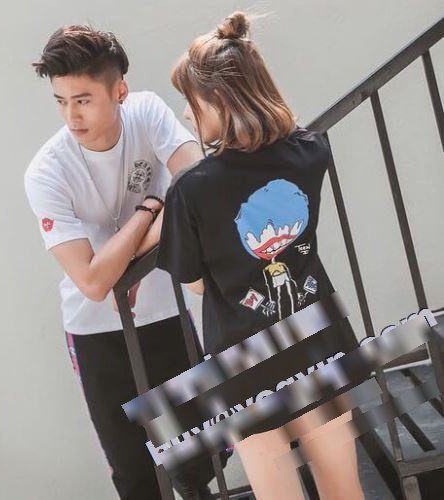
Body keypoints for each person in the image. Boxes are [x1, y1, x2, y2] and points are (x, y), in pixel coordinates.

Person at [156, 12, 365, 500]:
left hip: (244, 360)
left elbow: (194, 282)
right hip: (317, 335)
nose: (186, 115)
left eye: (190, 101)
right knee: (343, 487)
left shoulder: (191, 189)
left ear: (218, 99)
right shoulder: (311, 150)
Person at [25, 25, 228, 500]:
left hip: (166, 314)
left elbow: (200, 185)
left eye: (83, 100)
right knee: (136, 473)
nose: (71, 116)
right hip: (95, 331)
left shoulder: (147, 112)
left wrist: (128, 261)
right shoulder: (46, 172)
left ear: (120, 91)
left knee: (200, 455)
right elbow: (94, 284)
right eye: (61, 101)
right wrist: (151, 207)